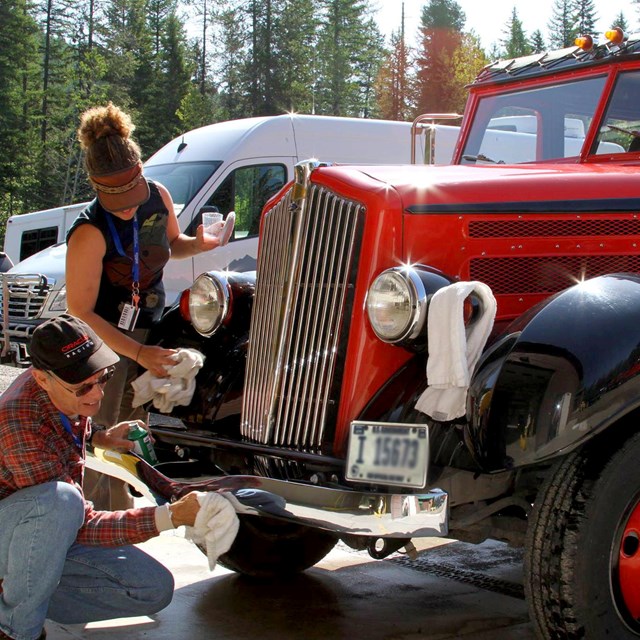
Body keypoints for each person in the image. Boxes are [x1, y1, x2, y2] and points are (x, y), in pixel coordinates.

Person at [0, 314, 202, 640]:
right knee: (61, 501)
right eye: (83, 386)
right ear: (40, 379)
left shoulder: (61, 390)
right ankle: (14, 629)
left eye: (103, 376)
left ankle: (21, 595)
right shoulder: (20, 420)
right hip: (14, 534)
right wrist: (168, 517)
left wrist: (99, 438)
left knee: (151, 589)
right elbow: (81, 525)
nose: (97, 393)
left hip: (33, 539)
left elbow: (65, 428)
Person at [65, 103, 223, 508]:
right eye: (118, 204)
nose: (129, 209)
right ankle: (101, 521)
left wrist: (200, 243)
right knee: (104, 430)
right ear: (98, 189)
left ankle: (124, 515)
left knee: (134, 426)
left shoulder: (158, 197)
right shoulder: (89, 232)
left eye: (133, 196)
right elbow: (81, 310)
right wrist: (136, 352)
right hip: (103, 338)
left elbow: (173, 244)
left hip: (147, 326)